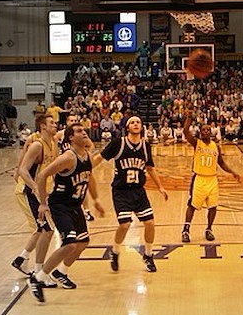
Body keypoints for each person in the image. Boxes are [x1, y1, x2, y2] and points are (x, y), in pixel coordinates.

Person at [28, 124, 105, 303]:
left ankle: (60, 272)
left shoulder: (87, 157)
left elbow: (89, 178)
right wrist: (41, 203)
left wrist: (96, 200)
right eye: (79, 131)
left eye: (84, 130)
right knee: (70, 243)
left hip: (75, 206)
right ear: (70, 138)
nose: (84, 132)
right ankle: (38, 278)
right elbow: (42, 176)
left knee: (83, 242)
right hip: (60, 205)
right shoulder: (68, 157)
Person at [100, 115, 168, 272]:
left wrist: (160, 187)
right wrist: (87, 166)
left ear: (141, 126)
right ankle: (115, 251)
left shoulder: (145, 145)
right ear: (127, 127)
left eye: (138, 122)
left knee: (150, 223)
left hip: (138, 191)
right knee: (124, 225)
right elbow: (101, 157)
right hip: (121, 191)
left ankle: (148, 255)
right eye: (132, 122)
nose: (136, 124)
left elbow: (150, 168)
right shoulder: (119, 143)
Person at [11, 114, 59, 279]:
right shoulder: (37, 145)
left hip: (40, 193)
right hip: (27, 191)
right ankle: (39, 272)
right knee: (46, 229)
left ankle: (22, 259)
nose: (55, 124)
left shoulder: (53, 143)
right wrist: (34, 187)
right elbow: (23, 169)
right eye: (52, 122)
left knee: (42, 229)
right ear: (43, 126)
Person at [181, 110, 240, 243]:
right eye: (204, 130)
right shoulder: (196, 143)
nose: (206, 131)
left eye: (208, 130)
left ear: (211, 132)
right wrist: (189, 117)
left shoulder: (215, 146)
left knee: (213, 206)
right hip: (199, 179)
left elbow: (221, 163)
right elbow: (185, 132)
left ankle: (209, 229)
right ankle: (186, 230)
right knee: (192, 206)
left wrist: (232, 172)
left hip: (212, 179)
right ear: (201, 132)